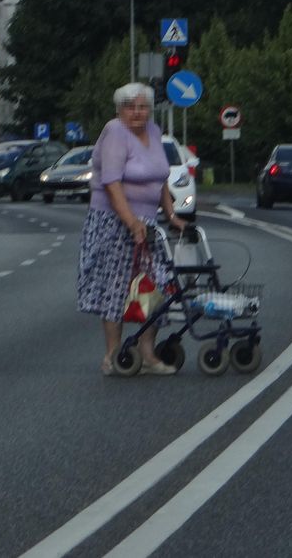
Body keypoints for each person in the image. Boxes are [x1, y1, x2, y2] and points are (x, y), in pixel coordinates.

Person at [77, 82, 187, 376]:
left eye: (142, 107)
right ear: (119, 110)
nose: (137, 113)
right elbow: (111, 183)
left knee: (157, 284)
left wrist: (171, 214)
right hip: (113, 221)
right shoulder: (115, 132)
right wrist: (131, 222)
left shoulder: (153, 130)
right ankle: (112, 355)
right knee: (117, 287)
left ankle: (147, 354)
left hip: (147, 222)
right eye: (130, 107)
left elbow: (160, 177)